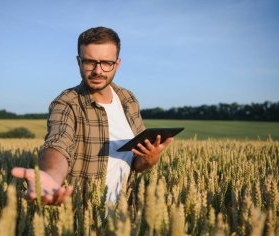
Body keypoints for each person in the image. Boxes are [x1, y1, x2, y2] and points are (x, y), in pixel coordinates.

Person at [11, 26, 173, 205]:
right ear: (78, 62)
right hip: (85, 218)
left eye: (106, 63)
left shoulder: (128, 99)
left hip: (124, 216)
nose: (98, 71)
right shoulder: (66, 103)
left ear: (117, 64)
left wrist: (149, 159)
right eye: (89, 62)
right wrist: (50, 177)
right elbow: (57, 144)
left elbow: (137, 161)